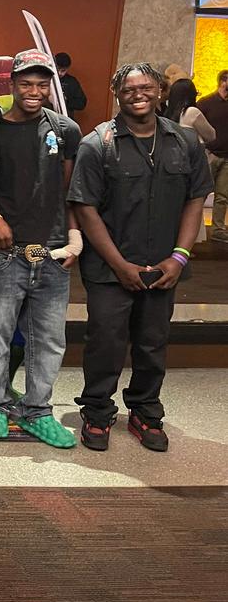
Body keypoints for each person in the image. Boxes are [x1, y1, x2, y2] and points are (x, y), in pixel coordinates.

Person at [68, 63, 213, 452]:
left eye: (146, 87)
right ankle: (97, 411)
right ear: (116, 94)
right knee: (105, 343)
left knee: (153, 342)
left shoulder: (185, 141)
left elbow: (195, 199)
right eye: (129, 89)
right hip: (108, 269)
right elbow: (85, 208)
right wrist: (120, 265)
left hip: (165, 266)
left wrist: (179, 257)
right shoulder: (97, 144)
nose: (138, 95)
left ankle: (145, 411)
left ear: (160, 90)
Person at [0, 50, 83, 449]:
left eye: (41, 84)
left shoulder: (65, 130)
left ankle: (37, 411)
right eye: (26, 83)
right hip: (4, 254)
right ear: (12, 85)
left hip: (52, 253)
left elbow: (71, 192)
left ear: (50, 87)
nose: (34, 91)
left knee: (49, 339)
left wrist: (74, 238)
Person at [195, 70, 228, 242]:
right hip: (209, 155)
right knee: (200, 195)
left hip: (227, 157)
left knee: (222, 196)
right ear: (223, 81)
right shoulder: (205, 103)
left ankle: (218, 230)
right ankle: (193, 229)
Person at [164, 78, 216, 149]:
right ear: (192, 95)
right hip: (192, 153)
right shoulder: (192, 112)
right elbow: (211, 135)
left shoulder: (167, 112)